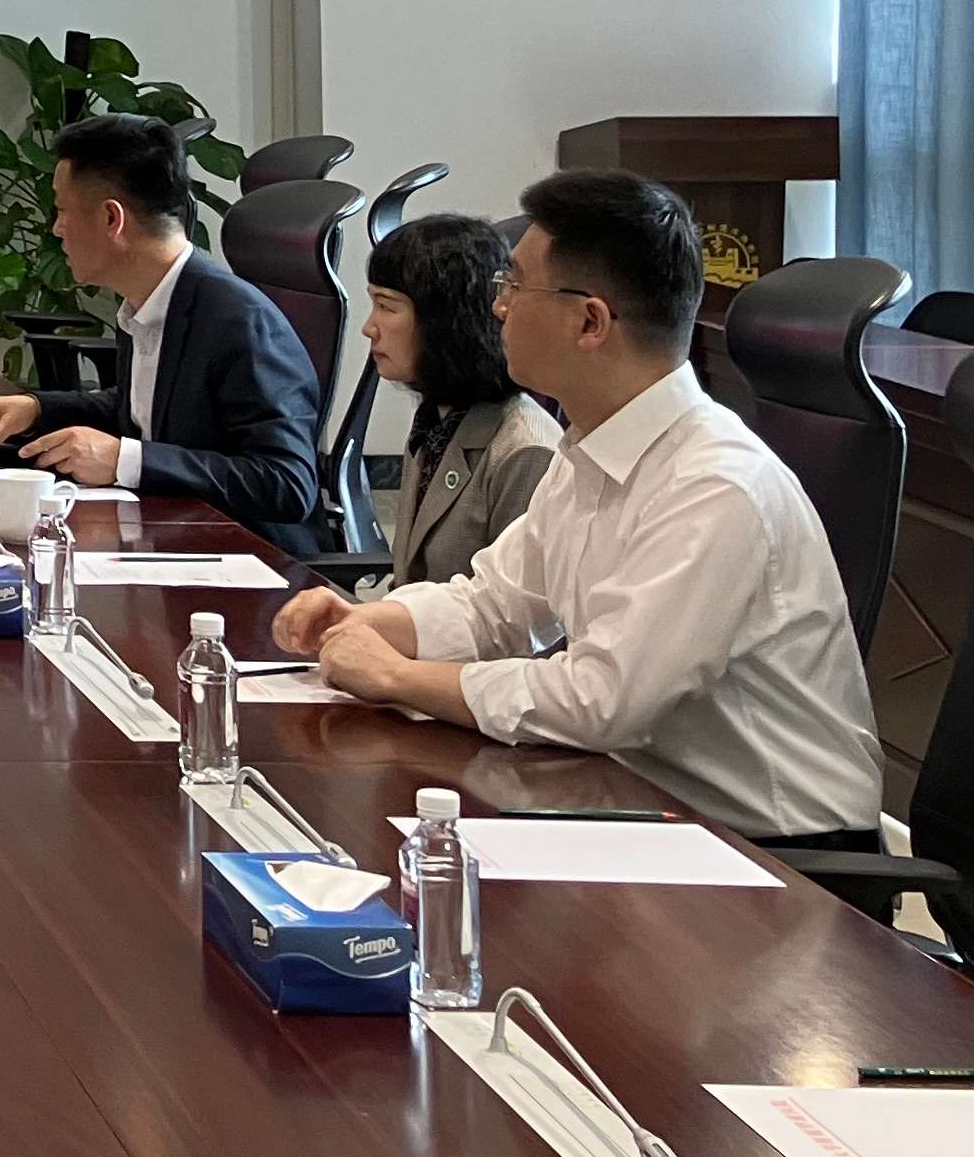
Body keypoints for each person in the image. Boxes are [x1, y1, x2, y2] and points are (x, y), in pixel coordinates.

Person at [273, 169, 885, 844]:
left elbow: (601, 700)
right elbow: (497, 604)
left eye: (513, 286)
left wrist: (398, 676)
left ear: (589, 321)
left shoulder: (714, 486)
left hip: (776, 854)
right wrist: (376, 620)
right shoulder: (589, 447)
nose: (497, 308)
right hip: (642, 805)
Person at [0, 111, 320, 532]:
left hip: (243, 553)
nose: (56, 229)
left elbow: (287, 482)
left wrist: (124, 460)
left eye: (63, 211)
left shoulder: (240, 322)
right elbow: (147, 410)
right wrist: (38, 409)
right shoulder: (149, 300)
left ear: (112, 219)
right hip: (170, 531)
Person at [363, 211, 560, 586]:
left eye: (386, 306)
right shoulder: (439, 417)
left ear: (446, 319)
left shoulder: (526, 452)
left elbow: (519, 612)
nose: (368, 327)